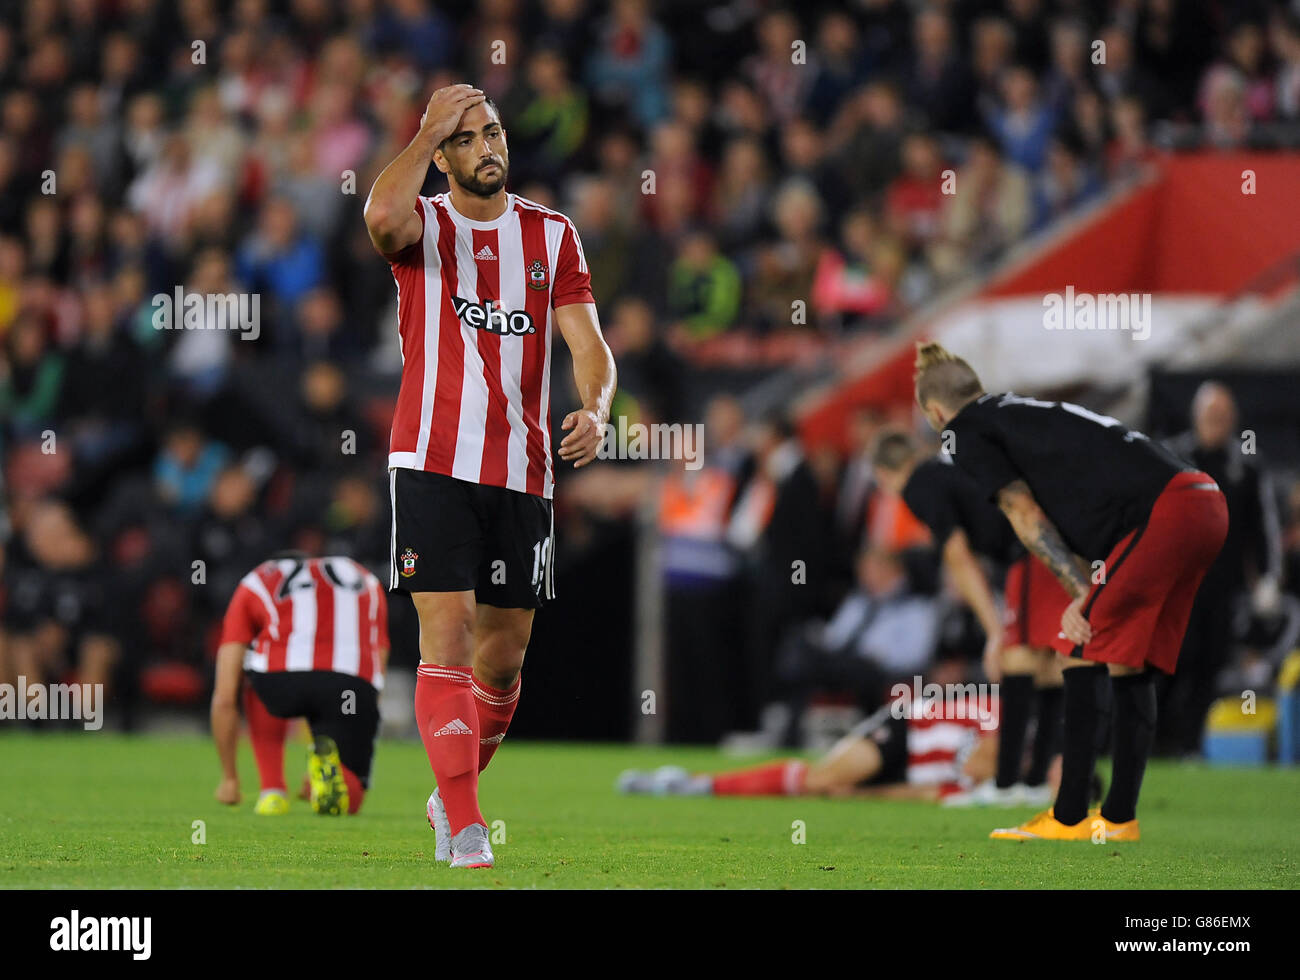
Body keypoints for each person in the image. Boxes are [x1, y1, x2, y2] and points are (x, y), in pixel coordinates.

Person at [363, 84, 616, 868]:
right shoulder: (422, 226)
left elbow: (589, 345)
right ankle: (469, 828)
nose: (487, 148)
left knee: (503, 658)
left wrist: (598, 409)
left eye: (493, 132)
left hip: (523, 470)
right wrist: (426, 128)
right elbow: (377, 217)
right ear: (441, 158)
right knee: (448, 633)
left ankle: (452, 790)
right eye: (466, 139)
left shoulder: (551, 234)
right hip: (432, 461)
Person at [913, 343, 1227, 841]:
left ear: (934, 412)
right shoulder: (1023, 413)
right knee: (1128, 663)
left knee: (1077, 650)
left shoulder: (965, 430)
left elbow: (1022, 512)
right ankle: (1118, 818)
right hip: (1203, 502)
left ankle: (1070, 817)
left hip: (1164, 514)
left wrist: (1081, 592)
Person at [871, 428, 1069, 806]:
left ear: (884, 474)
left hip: (1028, 549)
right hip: (1047, 542)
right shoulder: (946, 470)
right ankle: (1039, 777)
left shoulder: (919, 484)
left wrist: (994, 630)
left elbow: (958, 558)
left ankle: (1010, 783)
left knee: (1017, 660)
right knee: (1046, 665)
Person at [211, 553, 388, 816]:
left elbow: (224, 695)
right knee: (348, 801)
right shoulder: (363, 576)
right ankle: (326, 774)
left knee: (254, 670)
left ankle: (272, 790)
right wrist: (363, 713)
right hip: (350, 683)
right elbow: (379, 657)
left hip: (280, 680)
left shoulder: (259, 578)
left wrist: (229, 779)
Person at [1160, 382, 1283, 755]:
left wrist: (1267, 580)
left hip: (1222, 586)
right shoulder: (1171, 458)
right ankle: (1154, 741)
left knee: (1209, 665)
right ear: (1196, 416)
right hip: (1174, 588)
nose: (1217, 422)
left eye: (1224, 416)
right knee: (1169, 664)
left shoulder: (1244, 465)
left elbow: (1263, 528)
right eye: (1211, 415)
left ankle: (1191, 744)